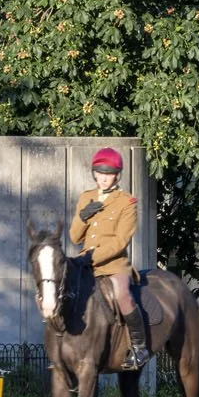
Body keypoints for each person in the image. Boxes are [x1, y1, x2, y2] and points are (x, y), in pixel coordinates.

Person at [69, 147, 150, 371]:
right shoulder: (86, 197)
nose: (104, 178)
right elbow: (75, 236)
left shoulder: (126, 202)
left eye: (109, 173)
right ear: (94, 173)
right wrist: (83, 217)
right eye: (100, 173)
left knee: (122, 294)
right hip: (85, 264)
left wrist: (92, 256)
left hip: (113, 264)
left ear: (117, 175)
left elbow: (120, 241)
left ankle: (139, 347)